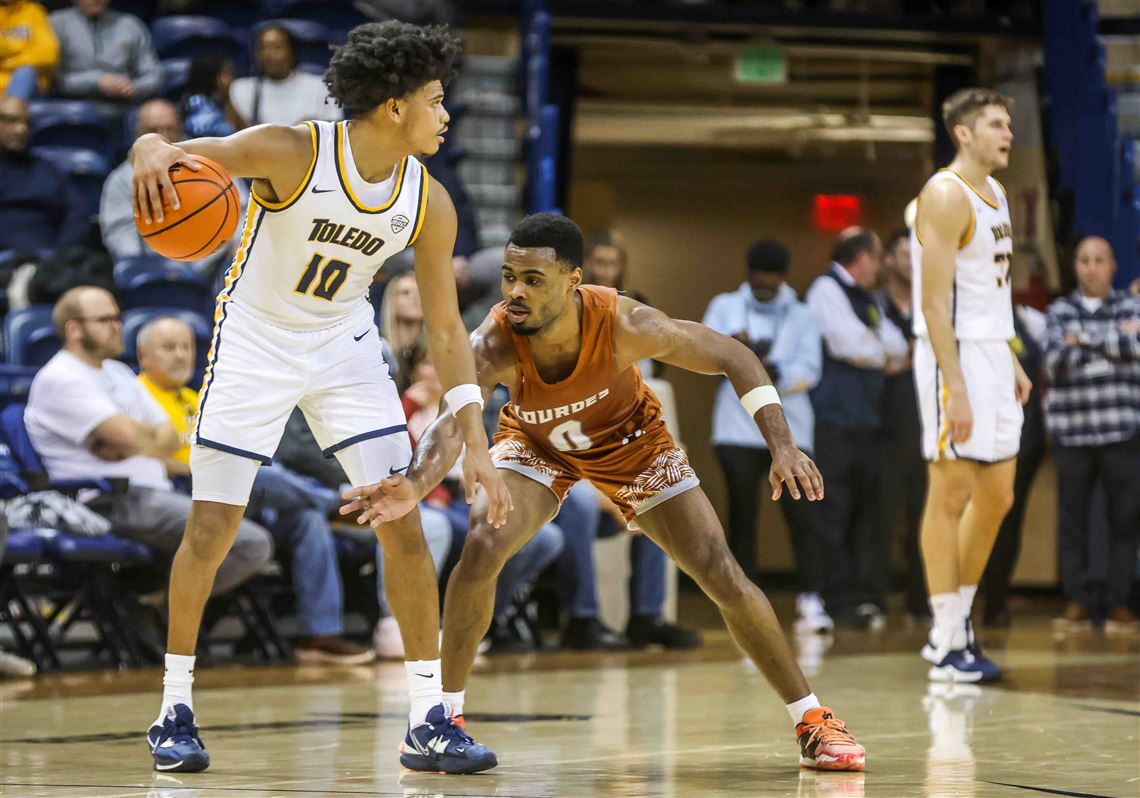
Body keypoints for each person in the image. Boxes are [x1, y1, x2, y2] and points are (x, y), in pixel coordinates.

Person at [346, 213, 867, 773]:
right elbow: (452, 422)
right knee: (483, 544)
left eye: (533, 280)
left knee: (719, 571)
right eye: (509, 277)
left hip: (632, 443)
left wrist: (783, 446)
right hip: (538, 443)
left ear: (573, 281)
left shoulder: (626, 322)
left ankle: (812, 720)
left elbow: (733, 357)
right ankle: (439, 719)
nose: (516, 292)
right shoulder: (493, 342)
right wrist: (415, 484)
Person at [130, 21, 509, 774]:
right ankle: (173, 709)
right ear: (395, 106)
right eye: (435, 101)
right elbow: (175, 153)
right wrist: (147, 145)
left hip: (343, 346)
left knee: (400, 519)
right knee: (212, 526)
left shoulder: (429, 201)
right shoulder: (293, 150)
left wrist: (475, 441)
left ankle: (428, 719)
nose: (445, 116)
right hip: (255, 339)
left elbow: (445, 330)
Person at [136, 315, 376, 664]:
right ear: (143, 355)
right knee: (260, 476)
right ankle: (336, 504)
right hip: (180, 495)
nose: (180, 355)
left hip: (233, 497)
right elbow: (140, 458)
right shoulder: (137, 396)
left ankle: (320, 635)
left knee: (305, 519)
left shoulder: (201, 397)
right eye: (169, 348)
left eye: (186, 347)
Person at [24, 287, 273, 598]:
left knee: (262, 507)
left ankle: (146, 606)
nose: (117, 326)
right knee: (250, 543)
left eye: (117, 317)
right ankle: (161, 610)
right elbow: (134, 437)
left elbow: (169, 435)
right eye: (104, 320)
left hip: (156, 494)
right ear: (74, 329)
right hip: (108, 501)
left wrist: (128, 444)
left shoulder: (117, 372)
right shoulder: (61, 377)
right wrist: (138, 438)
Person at [911, 88, 1032, 683]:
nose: (1007, 134)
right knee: (951, 493)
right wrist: (955, 386)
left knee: (998, 496)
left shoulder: (998, 192)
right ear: (963, 133)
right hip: (950, 356)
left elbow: (990, 291)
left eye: (1008, 124)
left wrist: (1009, 356)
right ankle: (946, 634)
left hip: (991, 352)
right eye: (995, 124)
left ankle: (955, 626)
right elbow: (934, 303)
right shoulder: (944, 194)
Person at [703, 239, 827, 633]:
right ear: (749, 272)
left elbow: (811, 369)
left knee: (802, 517)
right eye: (758, 275)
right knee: (741, 518)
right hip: (736, 429)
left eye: (771, 276)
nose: (764, 282)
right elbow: (702, 354)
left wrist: (768, 372)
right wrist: (735, 354)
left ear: (782, 276)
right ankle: (743, 604)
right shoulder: (725, 306)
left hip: (791, 430)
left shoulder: (802, 314)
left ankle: (811, 599)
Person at [805, 228, 909, 630]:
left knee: (863, 514)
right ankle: (833, 597)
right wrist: (879, 350)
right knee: (833, 511)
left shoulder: (866, 299)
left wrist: (875, 348)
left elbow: (897, 345)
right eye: (878, 256)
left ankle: (856, 596)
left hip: (866, 422)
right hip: (833, 422)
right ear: (862, 258)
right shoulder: (825, 289)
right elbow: (848, 345)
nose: (881, 266)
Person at [1042, 236, 1140, 630]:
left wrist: (1081, 341)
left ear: (1112, 266)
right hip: (1072, 433)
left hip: (1122, 430)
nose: (1092, 267)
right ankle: (1078, 600)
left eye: (1099, 259)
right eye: (1084, 260)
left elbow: (1136, 349)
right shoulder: (1058, 311)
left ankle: (1118, 602)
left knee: (1125, 520)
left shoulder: (1131, 305)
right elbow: (1053, 362)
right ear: (1075, 267)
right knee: (1073, 521)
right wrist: (1114, 341)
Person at [100, 99, 246, 279]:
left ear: (180, 127)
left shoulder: (210, 165)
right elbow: (120, 231)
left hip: (214, 267)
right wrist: (155, 266)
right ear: (138, 131)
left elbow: (241, 211)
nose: (164, 136)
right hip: (151, 270)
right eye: (153, 130)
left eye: (169, 128)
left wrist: (230, 250)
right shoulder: (121, 178)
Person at [875, 228, 929, 622]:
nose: (912, 262)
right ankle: (874, 600)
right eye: (905, 254)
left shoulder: (932, 304)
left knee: (924, 520)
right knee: (880, 518)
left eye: (917, 255)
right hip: (882, 428)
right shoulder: (873, 304)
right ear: (889, 259)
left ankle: (921, 601)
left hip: (927, 427)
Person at [0, 95, 88, 251]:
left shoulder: (47, 170)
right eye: (11, 120)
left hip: (45, 258)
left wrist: (60, 255)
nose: (21, 129)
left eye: (27, 123)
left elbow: (77, 214)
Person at [228, 24, 342, 127]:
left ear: (292, 51)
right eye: (263, 48)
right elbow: (235, 134)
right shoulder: (240, 88)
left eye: (277, 47)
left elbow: (335, 130)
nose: (269, 55)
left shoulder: (320, 87)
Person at [49, 0, 161, 103]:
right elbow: (54, 80)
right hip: (73, 103)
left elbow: (153, 75)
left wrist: (134, 88)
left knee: (158, 112)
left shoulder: (130, 24)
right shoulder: (56, 23)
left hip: (125, 102)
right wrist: (95, 82)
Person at [1, 0, 58, 99]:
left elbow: (48, 55)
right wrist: (19, 47)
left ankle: (11, 104)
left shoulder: (33, 11)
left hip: (28, 88)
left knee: (25, 72)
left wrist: (9, 62)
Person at [181, 52, 244, 139]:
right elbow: (229, 132)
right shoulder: (196, 102)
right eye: (226, 73)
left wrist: (227, 98)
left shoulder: (220, 100)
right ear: (211, 76)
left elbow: (243, 130)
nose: (231, 78)